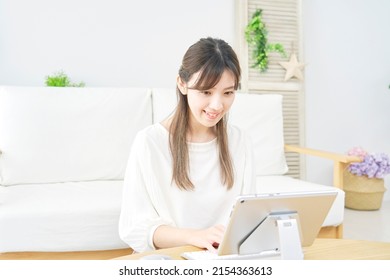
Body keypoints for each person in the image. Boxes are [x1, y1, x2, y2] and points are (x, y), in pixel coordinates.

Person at [119, 37, 255, 253]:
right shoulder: (150, 142)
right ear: (182, 84)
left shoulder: (240, 141)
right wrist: (195, 237)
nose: (217, 105)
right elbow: (134, 229)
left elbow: (247, 216)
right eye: (206, 92)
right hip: (172, 259)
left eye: (228, 93)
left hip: (225, 258)